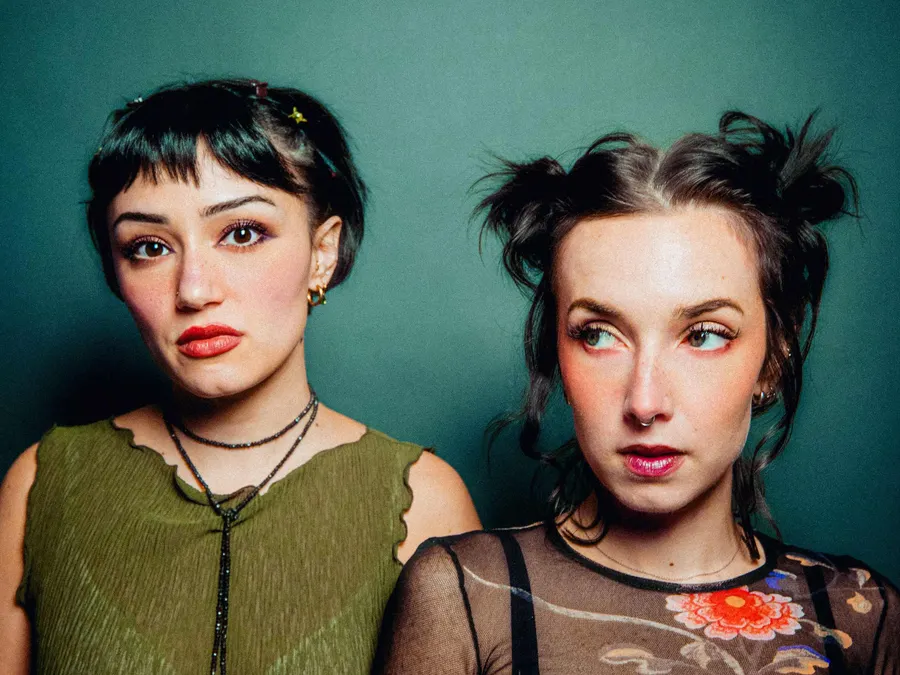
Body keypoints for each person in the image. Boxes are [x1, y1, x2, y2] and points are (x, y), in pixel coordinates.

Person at [374, 113, 899, 674]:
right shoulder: (466, 596)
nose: (645, 403)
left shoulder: (862, 616)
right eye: (599, 335)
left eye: (703, 335)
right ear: (556, 352)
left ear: (773, 359)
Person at [0, 78, 481, 674]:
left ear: (322, 253)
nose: (194, 290)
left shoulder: (425, 503)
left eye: (242, 233)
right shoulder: (42, 485)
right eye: (149, 247)